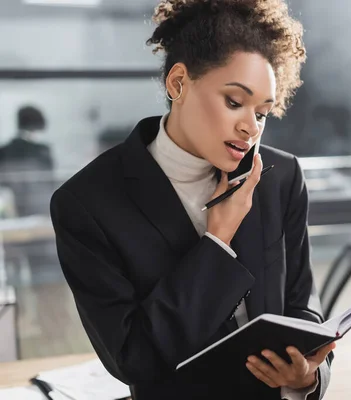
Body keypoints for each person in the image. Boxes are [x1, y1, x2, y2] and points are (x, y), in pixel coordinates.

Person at [49, 0, 334, 399]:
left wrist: (305, 378)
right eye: (234, 102)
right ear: (178, 83)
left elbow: (303, 310)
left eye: (263, 112)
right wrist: (217, 240)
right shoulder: (87, 204)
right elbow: (133, 358)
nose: (250, 127)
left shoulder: (280, 177)